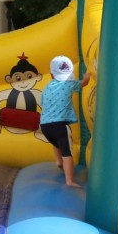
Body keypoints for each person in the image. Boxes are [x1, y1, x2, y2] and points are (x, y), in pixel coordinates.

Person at [39, 56, 93, 187]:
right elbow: (83, 83)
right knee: (67, 152)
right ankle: (69, 180)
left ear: (52, 75)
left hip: (44, 125)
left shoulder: (46, 88)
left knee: (56, 142)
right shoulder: (69, 83)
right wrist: (87, 77)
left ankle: (58, 161)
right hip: (60, 125)